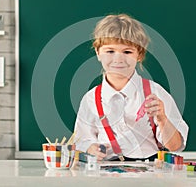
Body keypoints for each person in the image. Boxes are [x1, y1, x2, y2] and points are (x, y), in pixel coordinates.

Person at [74, 13, 188, 161]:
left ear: (139, 55)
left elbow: (175, 146)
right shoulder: (90, 99)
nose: (118, 59)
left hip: (151, 173)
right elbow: (81, 141)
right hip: (107, 175)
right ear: (98, 53)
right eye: (110, 51)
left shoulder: (155, 93)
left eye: (127, 52)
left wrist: (162, 119)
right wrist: (90, 148)